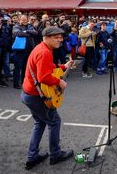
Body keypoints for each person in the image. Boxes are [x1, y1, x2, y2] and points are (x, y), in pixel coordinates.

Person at [21, 26, 75, 170]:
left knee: (40, 123)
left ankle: (32, 158)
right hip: (36, 96)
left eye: (60, 37)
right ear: (46, 38)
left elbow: (48, 67)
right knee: (54, 122)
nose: (60, 39)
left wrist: (64, 66)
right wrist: (59, 81)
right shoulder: (45, 52)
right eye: (56, 37)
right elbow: (43, 76)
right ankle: (55, 155)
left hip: (29, 93)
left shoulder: (42, 48)